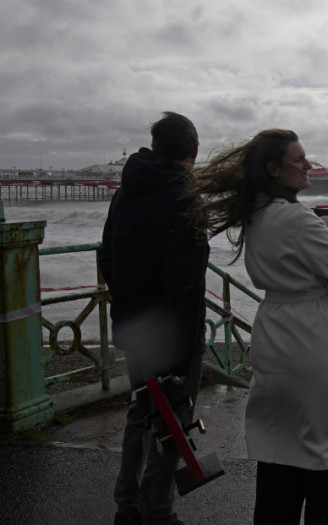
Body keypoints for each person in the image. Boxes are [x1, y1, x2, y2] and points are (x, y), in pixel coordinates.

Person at [188, 129, 328, 524]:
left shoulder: (258, 215)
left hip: (273, 332)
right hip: (310, 340)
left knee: (276, 453)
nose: (308, 165)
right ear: (273, 169)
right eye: (298, 160)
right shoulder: (298, 219)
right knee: (320, 455)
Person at [100, 112, 209, 525]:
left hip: (134, 325)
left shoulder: (124, 192)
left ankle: (127, 508)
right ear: (193, 152)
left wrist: (128, 304)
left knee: (141, 412)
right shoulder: (185, 198)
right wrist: (185, 352)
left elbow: (106, 255)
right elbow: (187, 285)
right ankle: (157, 513)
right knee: (171, 420)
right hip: (172, 333)